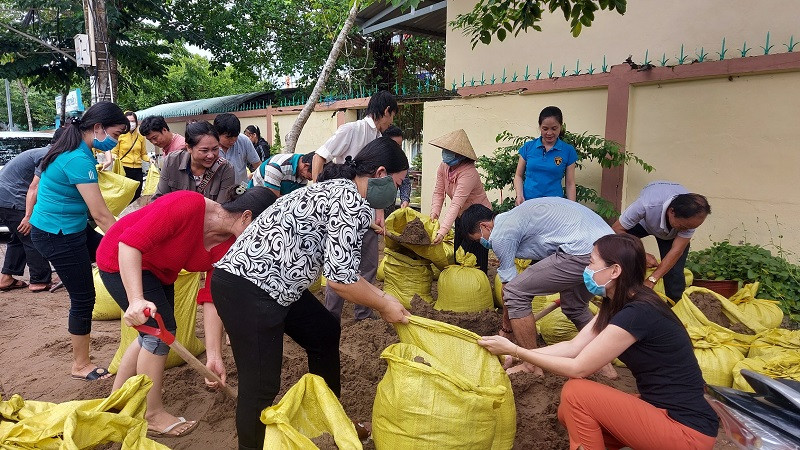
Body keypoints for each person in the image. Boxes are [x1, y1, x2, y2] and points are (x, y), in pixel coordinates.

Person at [205, 137, 410, 450]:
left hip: (277, 284)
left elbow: (346, 274)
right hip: (248, 287)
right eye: (398, 182)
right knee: (260, 385)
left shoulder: (342, 190)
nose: (397, 191)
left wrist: (385, 301)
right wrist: (384, 304)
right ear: (381, 172)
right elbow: (340, 282)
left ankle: (328, 418)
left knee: (324, 332)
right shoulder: (350, 202)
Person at [478, 233, 719, 450]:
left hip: (686, 432)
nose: (586, 268)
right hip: (661, 412)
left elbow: (579, 368)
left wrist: (516, 349)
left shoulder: (638, 312)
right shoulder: (619, 304)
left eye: (591, 262)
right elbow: (573, 347)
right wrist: (512, 354)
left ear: (615, 271)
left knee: (576, 392)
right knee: (568, 413)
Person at [96, 187, 277, 438]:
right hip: (120, 258)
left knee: (152, 332)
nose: (258, 242)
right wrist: (136, 300)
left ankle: (117, 400)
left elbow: (212, 297)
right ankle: (152, 415)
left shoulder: (231, 245)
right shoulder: (187, 205)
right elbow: (129, 244)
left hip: (160, 270)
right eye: (260, 232)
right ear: (246, 216)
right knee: (160, 333)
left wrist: (214, 356)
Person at [461, 198, 615, 377]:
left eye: (480, 239)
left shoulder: (501, 233)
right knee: (574, 306)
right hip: (606, 248)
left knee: (515, 292)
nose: (484, 243)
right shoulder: (515, 216)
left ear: (485, 226)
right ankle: (606, 367)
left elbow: (508, 286)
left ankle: (530, 365)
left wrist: (507, 329)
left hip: (581, 249)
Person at [29, 101, 125, 381]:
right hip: (58, 236)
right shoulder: (77, 159)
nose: (115, 142)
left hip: (72, 229)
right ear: (98, 128)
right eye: (116, 135)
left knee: (115, 256)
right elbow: (101, 215)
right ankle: (80, 365)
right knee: (84, 297)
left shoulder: (75, 151)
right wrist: (133, 241)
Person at [312, 90, 398, 322]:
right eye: (392, 117)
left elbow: (378, 180)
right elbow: (319, 157)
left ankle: (363, 314)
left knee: (368, 263)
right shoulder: (351, 130)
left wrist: (379, 212)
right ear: (387, 111)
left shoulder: (380, 141)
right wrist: (320, 195)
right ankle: (331, 316)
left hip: (367, 214)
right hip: (343, 212)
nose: (391, 123)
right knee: (339, 265)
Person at [612, 181, 711, 302]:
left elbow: (677, 250)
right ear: (671, 211)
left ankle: (674, 306)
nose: (687, 230)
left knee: (674, 274)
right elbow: (616, 229)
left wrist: (651, 280)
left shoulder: (691, 219)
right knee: (620, 248)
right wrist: (641, 254)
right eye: (683, 226)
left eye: (691, 228)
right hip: (644, 223)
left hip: (671, 235)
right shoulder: (646, 204)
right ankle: (617, 295)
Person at [0, 128, 64, 292]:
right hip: (13, 199)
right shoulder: (48, 156)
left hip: (5, 198)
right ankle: (39, 280)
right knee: (32, 235)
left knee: (19, 237)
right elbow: (34, 187)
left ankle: (6, 278)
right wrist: (28, 216)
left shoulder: (45, 152)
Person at [427, 129, 492, 272]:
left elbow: (456, 203)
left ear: (460, 154)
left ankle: (479, 286)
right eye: (445, 149)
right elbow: (439, 192)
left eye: (449, 150)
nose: (445, 153)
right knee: (459, 251)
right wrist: (434, 214)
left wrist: (442, 232)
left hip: (478, 217)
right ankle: (460, 286)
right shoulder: (444, 167)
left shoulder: (469, 173)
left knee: (476, 255)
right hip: (462, 215)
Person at [151, 121, 235, 203]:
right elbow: (159, 199)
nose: (211, 155)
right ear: (189, 148)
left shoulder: (225, 169)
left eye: (215, 149)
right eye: (204, 150)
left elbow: (221, 209)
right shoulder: (172, 161)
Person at [513, 106, 577, 204]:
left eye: (554, 128)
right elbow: (518, 175)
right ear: (539, 127)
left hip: (554, 204)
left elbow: (570, 183)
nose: (549, 133)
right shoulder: (528, 147)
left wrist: (572, 206)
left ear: (561, 126)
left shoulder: (568, 151)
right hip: (528, 203)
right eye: (545, 128)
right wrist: (519, 195)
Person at [213, 114, 261, 186]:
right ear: (217, 133)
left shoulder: (244, 140)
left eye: (235, 136)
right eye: (228, 137)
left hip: (240, 189)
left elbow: (258, 165)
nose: (233, 141)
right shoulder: (209, 145)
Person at [111, 111, 149, 200]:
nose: (131, 123)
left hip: (138, 169)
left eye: (133, 121)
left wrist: (149, 159)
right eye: (129, 121)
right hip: (124, 169)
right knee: (125, 196)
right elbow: (114, 152)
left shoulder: (140, 137)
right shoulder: (120, 136)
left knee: (137, 195)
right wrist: (113, 157)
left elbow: (143, 154)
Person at [248, 152, 314, 196]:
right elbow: (273, 200)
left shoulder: (303, 175)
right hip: (256, 197)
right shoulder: (277, 166)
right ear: (306, 166)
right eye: (312, 176)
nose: (311, 180)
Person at [382, 125, 411, 209]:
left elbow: (405, 182)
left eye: (400, 146)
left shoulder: (401, 160)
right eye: (395, 145)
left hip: (389, 208)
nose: (398, 149)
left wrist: (405, 200)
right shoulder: (375, 158)